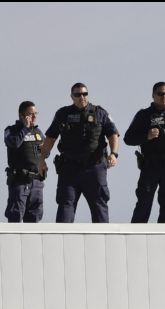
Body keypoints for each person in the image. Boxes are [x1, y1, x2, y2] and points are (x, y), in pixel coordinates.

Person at [38, 83, 119, 223]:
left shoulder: (100, 113)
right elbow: (51, 137)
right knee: (65, 206)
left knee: (99, 207)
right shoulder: (63, 114)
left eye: (84, 94)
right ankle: (62, 242)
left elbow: (113, 134)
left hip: (95, 168)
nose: (82, 97)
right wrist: (42, 159)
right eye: (78, 94)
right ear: (72, 97)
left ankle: (103, 243)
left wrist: (113, 154)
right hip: (70, 168)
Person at [124, 82, 165, 223]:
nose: (164, 96)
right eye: (160, 93)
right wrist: (146, 136)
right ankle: (136, 237)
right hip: (151, 165)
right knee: (144, 202)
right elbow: (128, 138)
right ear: (153, 95)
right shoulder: (144, 115)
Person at [4, 101, 45, 223]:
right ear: (22, 115)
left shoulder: (38, 132)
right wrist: (25, 128)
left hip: (36, 182)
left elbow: (44, 153)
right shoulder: (11, 130)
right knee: (15, 216)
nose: (34, 117)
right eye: (30, 114)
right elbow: (14, 143)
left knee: (35, 217)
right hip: (20, 182)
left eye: (35, 114)